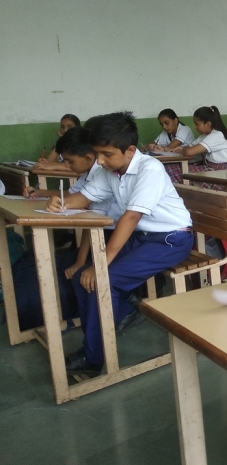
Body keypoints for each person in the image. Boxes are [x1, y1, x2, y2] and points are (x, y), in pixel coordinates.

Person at [46, 112, 193, 378]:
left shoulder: (149, 169)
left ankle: (93, 357)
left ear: (130, 150)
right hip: (143, 237)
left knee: (103, 278)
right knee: (82, 276)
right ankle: (106, 329)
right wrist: (61, 203)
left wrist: (101, 264)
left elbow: (130, 217)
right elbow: (84, 198)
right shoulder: (111, 170)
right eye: (98, 154)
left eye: (107, 154)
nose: (101, 161)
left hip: (172, 239)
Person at [180, 105, 227, 189]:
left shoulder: (217, 135)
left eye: (197, 124)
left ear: (208, 124)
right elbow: (190, 147)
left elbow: (189, 151)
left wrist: (183, 149)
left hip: (226, 172)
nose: (195, 127)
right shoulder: (205, 135)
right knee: (178, 169)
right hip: (213, 168)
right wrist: (183, 149)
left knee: (182, 173)